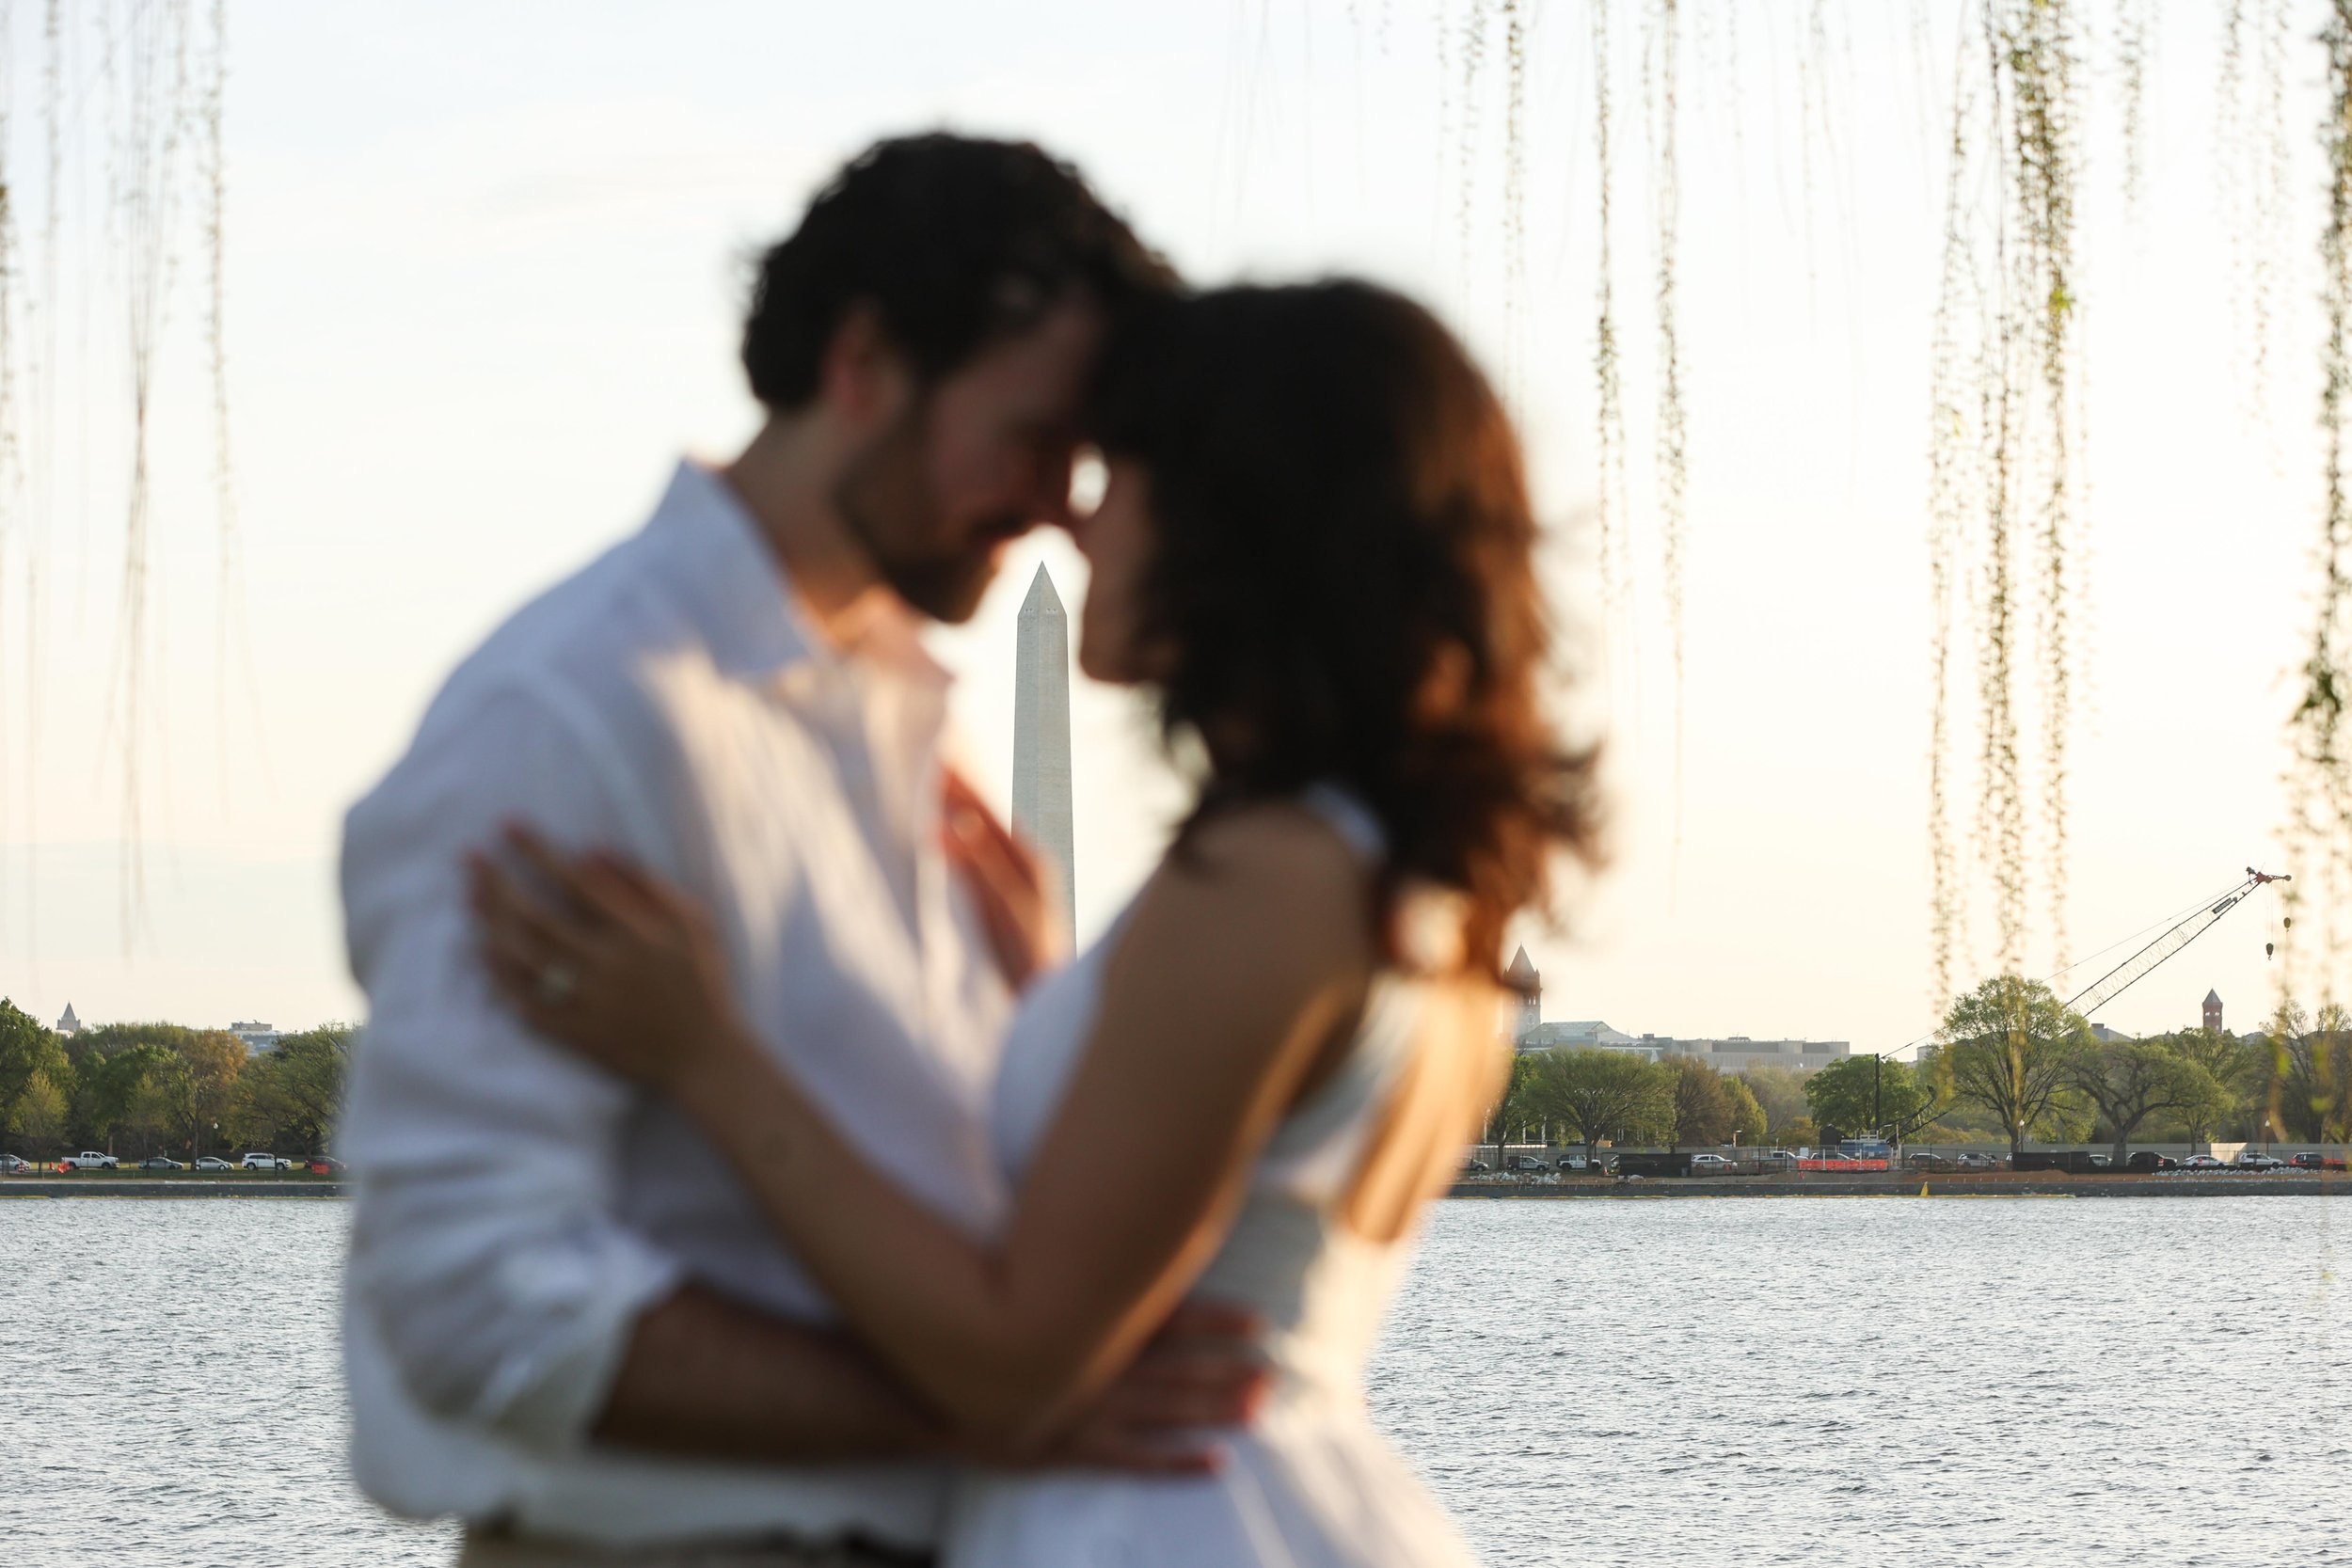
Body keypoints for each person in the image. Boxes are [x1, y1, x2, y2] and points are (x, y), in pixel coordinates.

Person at [469, 280, 1606, 1566]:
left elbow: (1009, 1358)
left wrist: (703, 1049)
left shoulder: (1267, 880)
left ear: (1239, 522)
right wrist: (1052, 989)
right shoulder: (1413, 886)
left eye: (1122, 474)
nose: (1074, 514)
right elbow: (1206, 1199)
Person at [337, 135, 1268, 1568]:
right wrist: (974, 1416)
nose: (1058, 506)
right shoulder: (570, 716)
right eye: (1032, 436)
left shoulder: (904, 732)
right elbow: (476, 1309)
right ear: (862, 365)